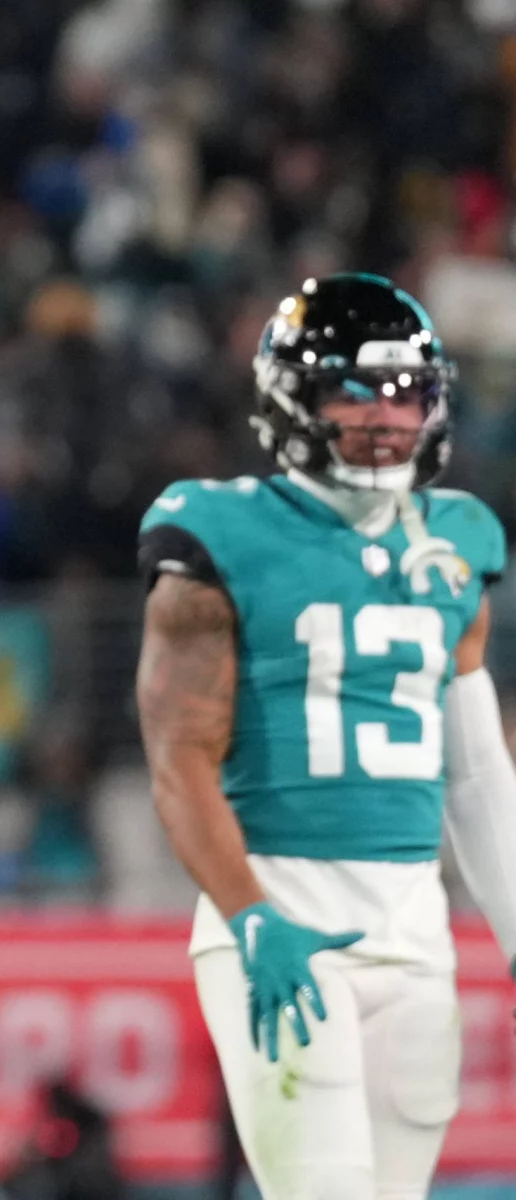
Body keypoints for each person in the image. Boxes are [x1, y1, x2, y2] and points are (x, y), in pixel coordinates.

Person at [135, 274, 516, 1199]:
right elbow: (180, 760)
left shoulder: (458, 539)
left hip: (417, 936)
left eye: (407, 392)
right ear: (291, 399)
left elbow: (474, 773)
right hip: (281, 916)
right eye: (355, 390)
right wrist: (250, 913)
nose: (386, 418)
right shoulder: (217, 531)